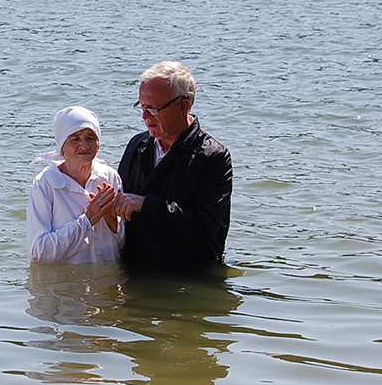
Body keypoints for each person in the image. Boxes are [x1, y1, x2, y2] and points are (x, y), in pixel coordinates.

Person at [113, 61, 232, 268]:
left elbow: (205, 227)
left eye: (153, 109)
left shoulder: (213, 156)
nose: (145, 117)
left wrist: (146, 205)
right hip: (135, 271)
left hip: (188, 275)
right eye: (142, 106)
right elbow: (121, 206)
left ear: (183, 106)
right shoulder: (137, 145)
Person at [27, 106, 123, 264]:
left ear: (98, 145)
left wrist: (111, 219)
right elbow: (39, 253)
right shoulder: (45, 184)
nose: (84, 146)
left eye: (90, 138)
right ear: (62, 147)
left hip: (109, 277)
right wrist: (87, 220)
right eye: (75, 139)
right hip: (67, 279)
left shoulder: (110, 177)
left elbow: (124, 243)